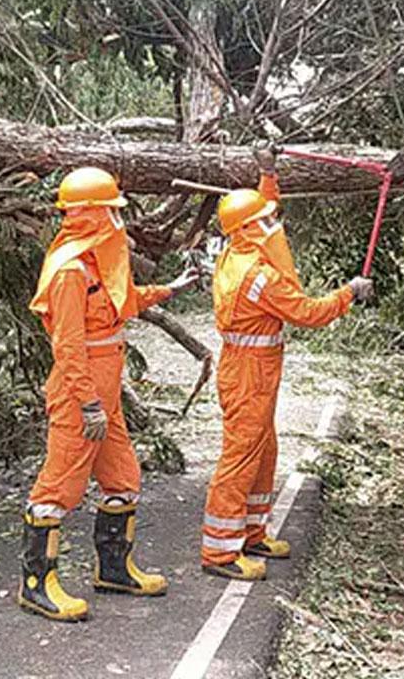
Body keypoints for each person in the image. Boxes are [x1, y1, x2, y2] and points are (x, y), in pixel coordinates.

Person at [21, 166, 199, 621]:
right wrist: (88, 402)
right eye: (112, 213)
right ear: (92, 215)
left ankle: (113, 569)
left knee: (122, 479)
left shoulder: (97, 261)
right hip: (81, 395)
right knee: (59, 485)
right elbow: (68, 346)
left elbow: (123, 301)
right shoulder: (69, 271)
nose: (119, 222)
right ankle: (36, 586)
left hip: (106, 394)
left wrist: (171, 289)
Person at [200, 147, 373, 580]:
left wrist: (268, 174)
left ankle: (252, 531)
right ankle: (220, 552)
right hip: (249, 371)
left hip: (253, 366)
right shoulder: (259, 278)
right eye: (266, 221)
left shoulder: (235, 251)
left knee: (263, 450)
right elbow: (309, 312)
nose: (274, 224)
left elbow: (263, 213)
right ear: (252, 230)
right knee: (241, 455)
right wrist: (349, 292)